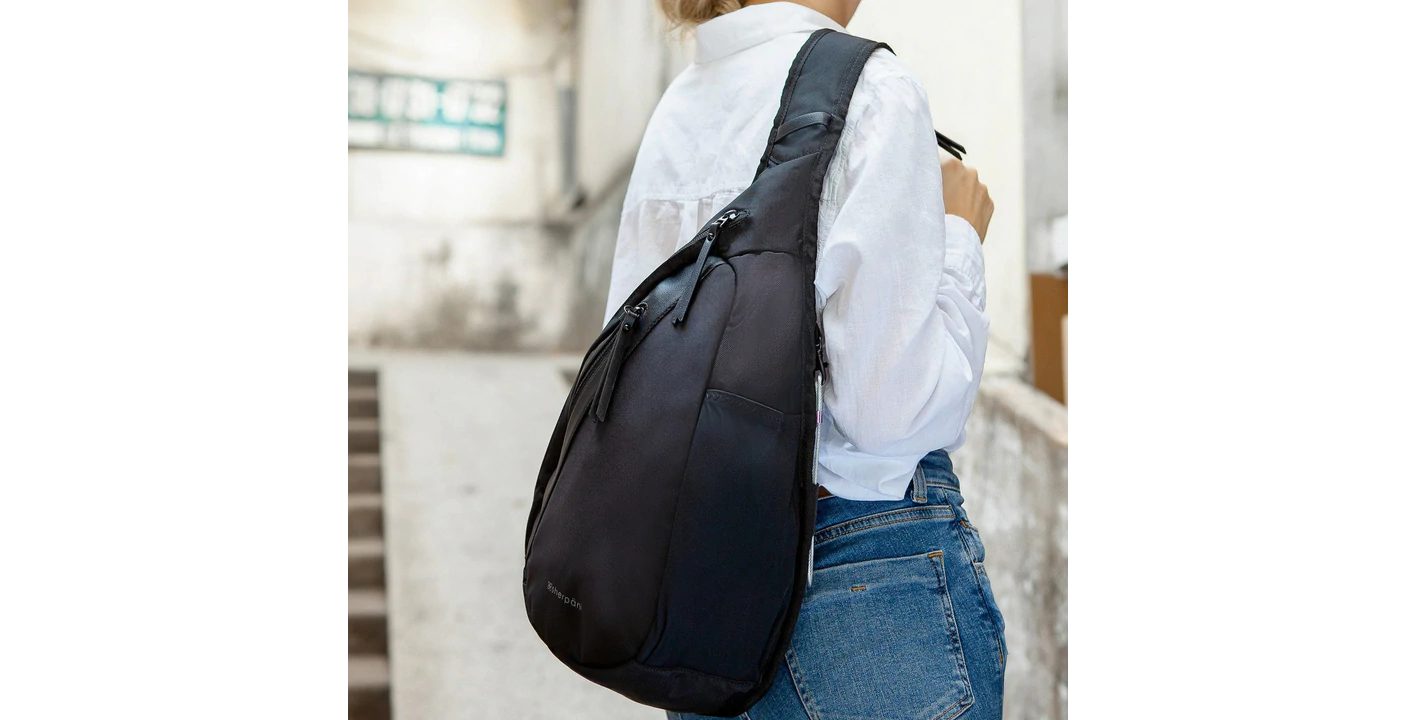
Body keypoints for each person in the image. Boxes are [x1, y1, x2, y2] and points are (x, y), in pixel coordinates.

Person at [605, 1, 1004, 717]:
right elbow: (889, 414)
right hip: (864, 561)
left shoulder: (682, 104)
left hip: (694, 582)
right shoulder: (871, 88)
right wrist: (959, 238)